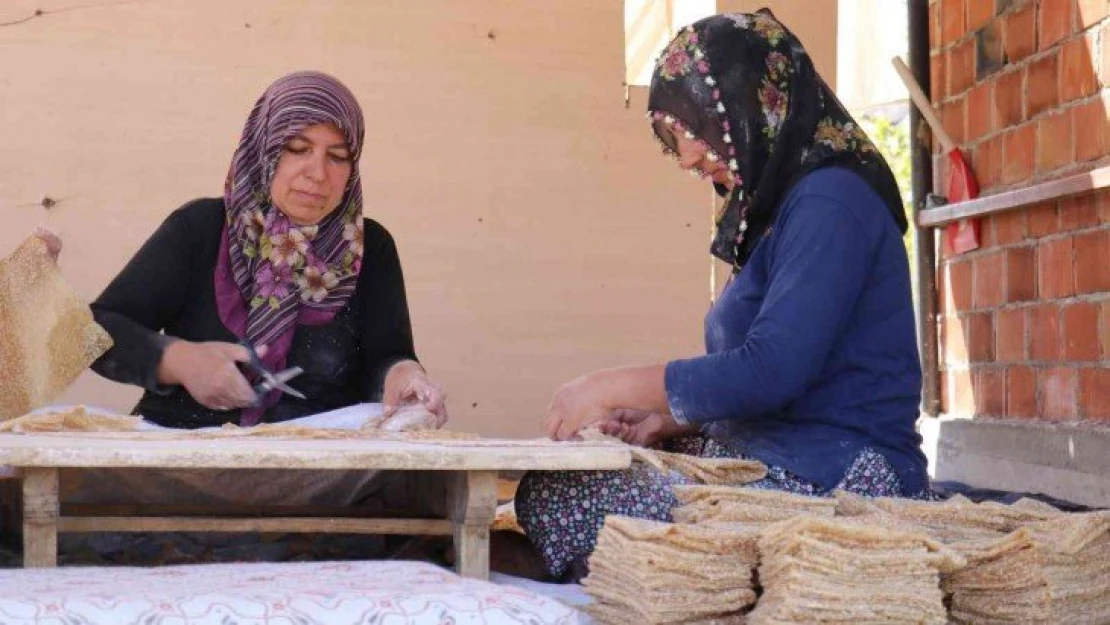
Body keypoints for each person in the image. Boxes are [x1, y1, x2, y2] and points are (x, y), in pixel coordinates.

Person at [513, 11, 932, 582]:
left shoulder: (833, 202)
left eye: (694, 129)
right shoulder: (776, 213)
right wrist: (668, 425)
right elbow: (771, 383)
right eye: (674, 140)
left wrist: (608, 386)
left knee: (577, 499)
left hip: (842, 471)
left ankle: (680, 585)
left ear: (754, 101)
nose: (687, 157)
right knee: (556, 484)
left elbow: (774, 368)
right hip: (779, 457)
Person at [91, 71, 446, 429]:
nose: (318, 173)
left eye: (337, 157)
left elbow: (388, 357)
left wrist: (406, 376)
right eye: (297, 149)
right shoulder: (200, 228)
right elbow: (97, 333)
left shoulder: (369, 248)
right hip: (185, 458)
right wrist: (181, 361)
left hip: (319, 465)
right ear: (264, 148)